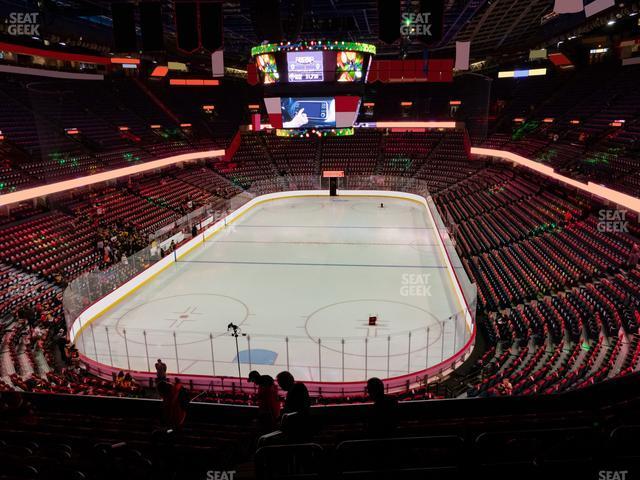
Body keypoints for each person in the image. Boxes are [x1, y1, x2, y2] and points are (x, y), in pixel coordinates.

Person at [276, 371, 310, 440]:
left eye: (280, 383)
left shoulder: (297, 388)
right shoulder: (297, 388)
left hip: (297, 427)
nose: (280, 386)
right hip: (298, 426)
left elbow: (296, 408)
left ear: (285, 381)